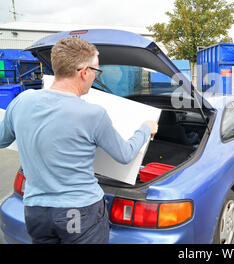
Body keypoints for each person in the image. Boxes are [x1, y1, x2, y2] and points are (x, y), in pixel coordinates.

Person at [0, 37, 158, 244]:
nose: (94, 77)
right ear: (85, 72)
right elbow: (125, 154)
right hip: (77, 213)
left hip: (36, 212)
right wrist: (145, 129)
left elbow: (2, 140)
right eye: (96, 72)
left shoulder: (22, 101)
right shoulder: (93, 114)